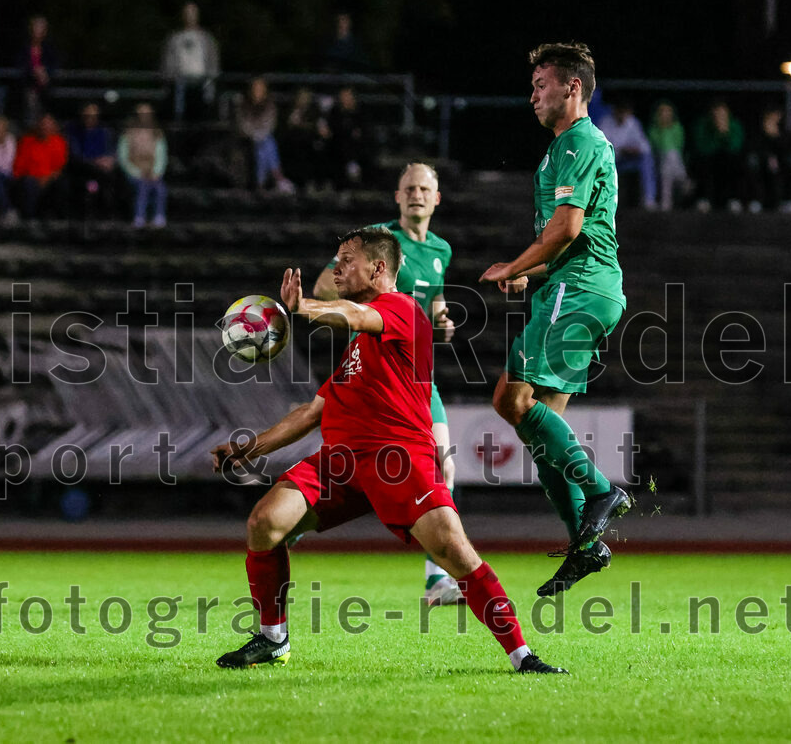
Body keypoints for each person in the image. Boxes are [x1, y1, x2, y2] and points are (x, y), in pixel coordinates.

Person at [212, 227, 565, 674]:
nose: (336, 269)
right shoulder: (358, 347)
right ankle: (272, 639)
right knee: (264, 523)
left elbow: (353, 315)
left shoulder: (400, 309)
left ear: (379, 268)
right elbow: (311, 412)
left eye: (345, 260)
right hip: (341, 464)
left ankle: (522, 655)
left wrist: (305, 308)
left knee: (456, 553)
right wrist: (251, 447)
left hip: (398, 462)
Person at [479, 42, 631, 597]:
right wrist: (531, 273)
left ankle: (599, 491)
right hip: (575, 284)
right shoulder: (564, 149)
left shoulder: (578, 142)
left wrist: (514, 266)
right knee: (539, 426)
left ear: (572, 87)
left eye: (541, 83)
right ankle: (584, 547)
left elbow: (567, 229)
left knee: (508, 400)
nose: (533, 94)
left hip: (581, 287)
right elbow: (571, 235)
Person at [312, 163, 461, 606]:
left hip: (417, 373)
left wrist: (442, 320)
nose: (416, 194)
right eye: (409, 188)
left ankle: (436, 579)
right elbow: (325, 285)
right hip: (377, 369)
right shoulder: (377, 240)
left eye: (424, 189)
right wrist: (358, 313)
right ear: (397, 197)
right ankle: (291, 520)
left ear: (437, 199)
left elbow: (435, 303)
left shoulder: (441, 250)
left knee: (445, 465)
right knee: (345, 454)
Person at [161, 2, 220, 122]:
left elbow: (213, 60)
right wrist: (169, 77)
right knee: (180, 114)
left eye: (193, 13)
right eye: (187, 13)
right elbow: (168, 61)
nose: (190, 16)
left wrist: (211, 77)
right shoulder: (175, 38)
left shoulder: (206, 38)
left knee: (203, 114)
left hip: (202, 81)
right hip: (180, 82)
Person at [236, 77, 294, 193]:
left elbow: (269, 125)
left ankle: (260, 183)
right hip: (248, 137)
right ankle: (278, 177)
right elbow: (243, 124)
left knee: (263, 148)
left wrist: (259, 134)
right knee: (268, 143)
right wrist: (254, 134)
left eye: (261, 88)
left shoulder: (270, 105)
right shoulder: (243, 105)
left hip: (263, 137)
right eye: (256, 88)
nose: (258, 90)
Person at [598, 99, 656, 209]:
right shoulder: (605, 122)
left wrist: (635, 149)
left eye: (625, 112)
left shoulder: (633, 122)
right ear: (615, 111)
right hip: (612, 161)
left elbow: (645, 147)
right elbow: (601, 148)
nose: (622, 115)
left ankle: (649, 199)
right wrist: (621, 149)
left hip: (627, 161)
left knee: (646, 160)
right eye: (620, 111)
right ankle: (604, 203)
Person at [118, 103, 168, 228]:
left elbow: (161, 155)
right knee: (143, 186)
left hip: (152, 171)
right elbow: (123, 157)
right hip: (134, 171)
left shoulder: (157, 133)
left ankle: (159, 216)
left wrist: (156, 172)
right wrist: (137, 173)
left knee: (160, 188)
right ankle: (139, 217)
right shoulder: (128, 133)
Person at [691, 100, 745, 213]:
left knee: (733, 162)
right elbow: (702, 148)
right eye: (716, 114)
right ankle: (704, 199)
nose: (719, 117)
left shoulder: (734, 125)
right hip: (709, 159)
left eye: (722, 114)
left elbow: (735, 147)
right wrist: (716, 132)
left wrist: (725, 134)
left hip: (728, 160)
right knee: (703, 163)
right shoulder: (703, 124)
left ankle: (733, 199)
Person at [66, 102, 117, 219]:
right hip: (82, 170)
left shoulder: (104, 131)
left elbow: (111, 152)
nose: (90, 118)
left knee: (109, 177)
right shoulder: (73, 131)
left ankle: (106, 214)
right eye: (87, 115)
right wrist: (95, 162)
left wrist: (109, 160)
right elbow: (76, 155)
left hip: (102, 171)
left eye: (93, 115)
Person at [13, 113, 68, 219]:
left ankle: (59, 219)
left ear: (53, 126)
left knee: (63, 183)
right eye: (42, 124)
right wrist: (37, 178)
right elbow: (20, 167)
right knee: (28, 183)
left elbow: (60, 167)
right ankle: (29, 220)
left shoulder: (59, 142)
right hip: (32, 179)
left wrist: (47, 178)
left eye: (48, 125)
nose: (45, 127)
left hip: (50, 180)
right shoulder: (27, 141)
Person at [746, 107, 791, 214]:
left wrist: (775, 136)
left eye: (776, 117)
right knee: (754, 165)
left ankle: (789, 201)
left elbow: (788, 149)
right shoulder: (758, 133)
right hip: (762, 161)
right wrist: (767, 157)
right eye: (770, 117)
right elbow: (754, 148)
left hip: (780, 162)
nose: (774, 120)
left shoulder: (784, 132)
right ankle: (757, 200)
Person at [16, 15, 59, 129]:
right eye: (35, 27)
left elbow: (55, 65)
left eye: (41, 28)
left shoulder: (49, 48)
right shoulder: (23, 46)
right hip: (28, 87)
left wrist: (45, 72)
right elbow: (19, 65)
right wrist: (33, 71)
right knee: (30, 103)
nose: (37, 31)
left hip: (45, 88)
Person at [647, 100, 690, 211]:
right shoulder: (653, 130)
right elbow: (656, 146)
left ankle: (666, 203)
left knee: (671, 157)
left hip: (675, 161)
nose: (665, 115)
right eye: (662, 112)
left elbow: (679, 146)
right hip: (658, 160)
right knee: (668, 159)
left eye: (668, 112)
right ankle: (683, 179)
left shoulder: (677, 128)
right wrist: (663, 131)